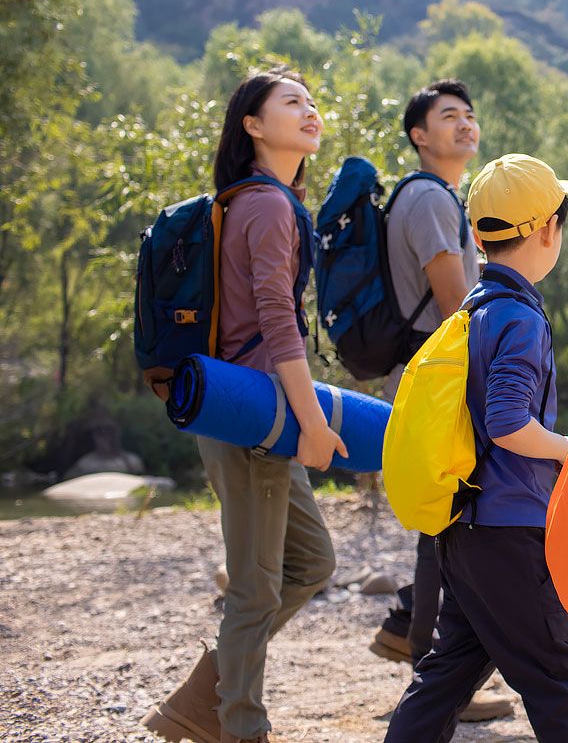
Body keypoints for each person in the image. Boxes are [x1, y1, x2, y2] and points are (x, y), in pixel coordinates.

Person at [142, 68, 340, 743]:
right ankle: (239, 728)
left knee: (310, 561)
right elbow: (277, 323)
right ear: (253, 125)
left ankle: (202, 699)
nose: (309, 110)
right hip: (257, 413)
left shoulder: (260, 201)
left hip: (249, 408)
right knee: (255, 587)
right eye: (291, 102)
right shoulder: (265, 205)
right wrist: (312, 421)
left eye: (312, 101)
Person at [384, 153, 568, 743]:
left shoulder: (472, 310)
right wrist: (567, 449)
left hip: (465, 529)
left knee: (449, 672)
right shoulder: (520, 318)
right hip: (511, 531)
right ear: (547, 230)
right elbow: (508, 423)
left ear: (478, 235)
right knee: (564, 683)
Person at [366, 78, 512, 722]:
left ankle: (419, 640)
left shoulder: (444, 198)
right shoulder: (427, 199)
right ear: (419, 135)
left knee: (446, 516)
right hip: (441, 375)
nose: (464, 124)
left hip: (433, 372)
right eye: (448, 116)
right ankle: (435, 670)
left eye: (470, 115)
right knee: (445, 518)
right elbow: (459, 308)